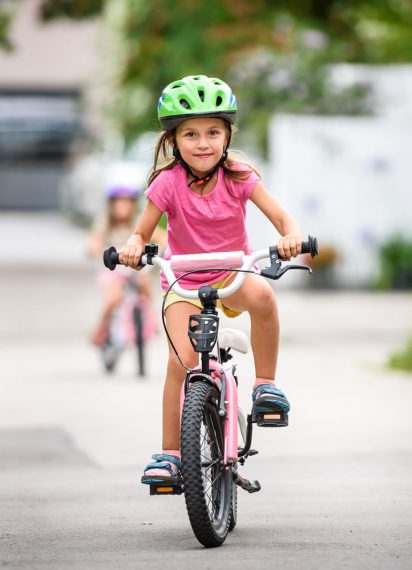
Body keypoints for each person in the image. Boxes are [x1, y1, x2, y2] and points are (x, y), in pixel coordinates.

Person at [119, 74, 303, 482]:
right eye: (191, 134)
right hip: (183, 284)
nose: (203, 143)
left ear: (227, 134)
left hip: (233, 275)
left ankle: (266, 387)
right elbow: (140, 232)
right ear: (173, 141)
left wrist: (290, 235)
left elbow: (281, 217)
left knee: (265, 299)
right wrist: (134, 245)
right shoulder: (167, 183)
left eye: (213, 132)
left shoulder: (238, 176)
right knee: (180, 361)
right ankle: (170, 453)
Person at [89, 184, 157, 347]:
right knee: (114, 298)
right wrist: (95, 247)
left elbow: (159, 236)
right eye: (119, 203)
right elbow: (95, 240)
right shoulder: (105, 224)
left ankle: (150, 318)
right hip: (113, 271)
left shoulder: (138, 224)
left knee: (145, 285)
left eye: (127, 203)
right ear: (111, 206)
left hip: (135, 270)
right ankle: (102, 327)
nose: (123, 207)